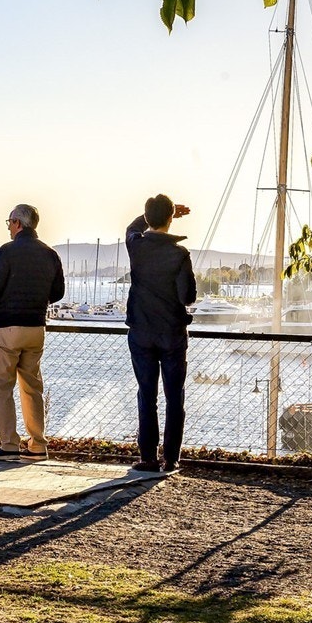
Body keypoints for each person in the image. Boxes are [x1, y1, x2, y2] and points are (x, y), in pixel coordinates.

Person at [0, 203, 65, 460]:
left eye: (9, 222)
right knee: (32, 386)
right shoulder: (50, 254)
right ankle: (38, 444)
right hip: (36, 327)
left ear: (17, 223)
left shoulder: (7, 251)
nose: (8, 227)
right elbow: (58, 292)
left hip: (8, 326)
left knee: (3, 386)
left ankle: (9, 444)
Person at [125, 195, 195, 473]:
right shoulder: (180, 254)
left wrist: (158, 214)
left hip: (141, 332)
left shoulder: (136, 246)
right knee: (174, 396)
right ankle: (172, 458)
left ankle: (148, 457)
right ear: (170, 219)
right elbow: (187, 296)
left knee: (147, 395)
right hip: (172, 333)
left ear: (147, 217)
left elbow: (131, 228)